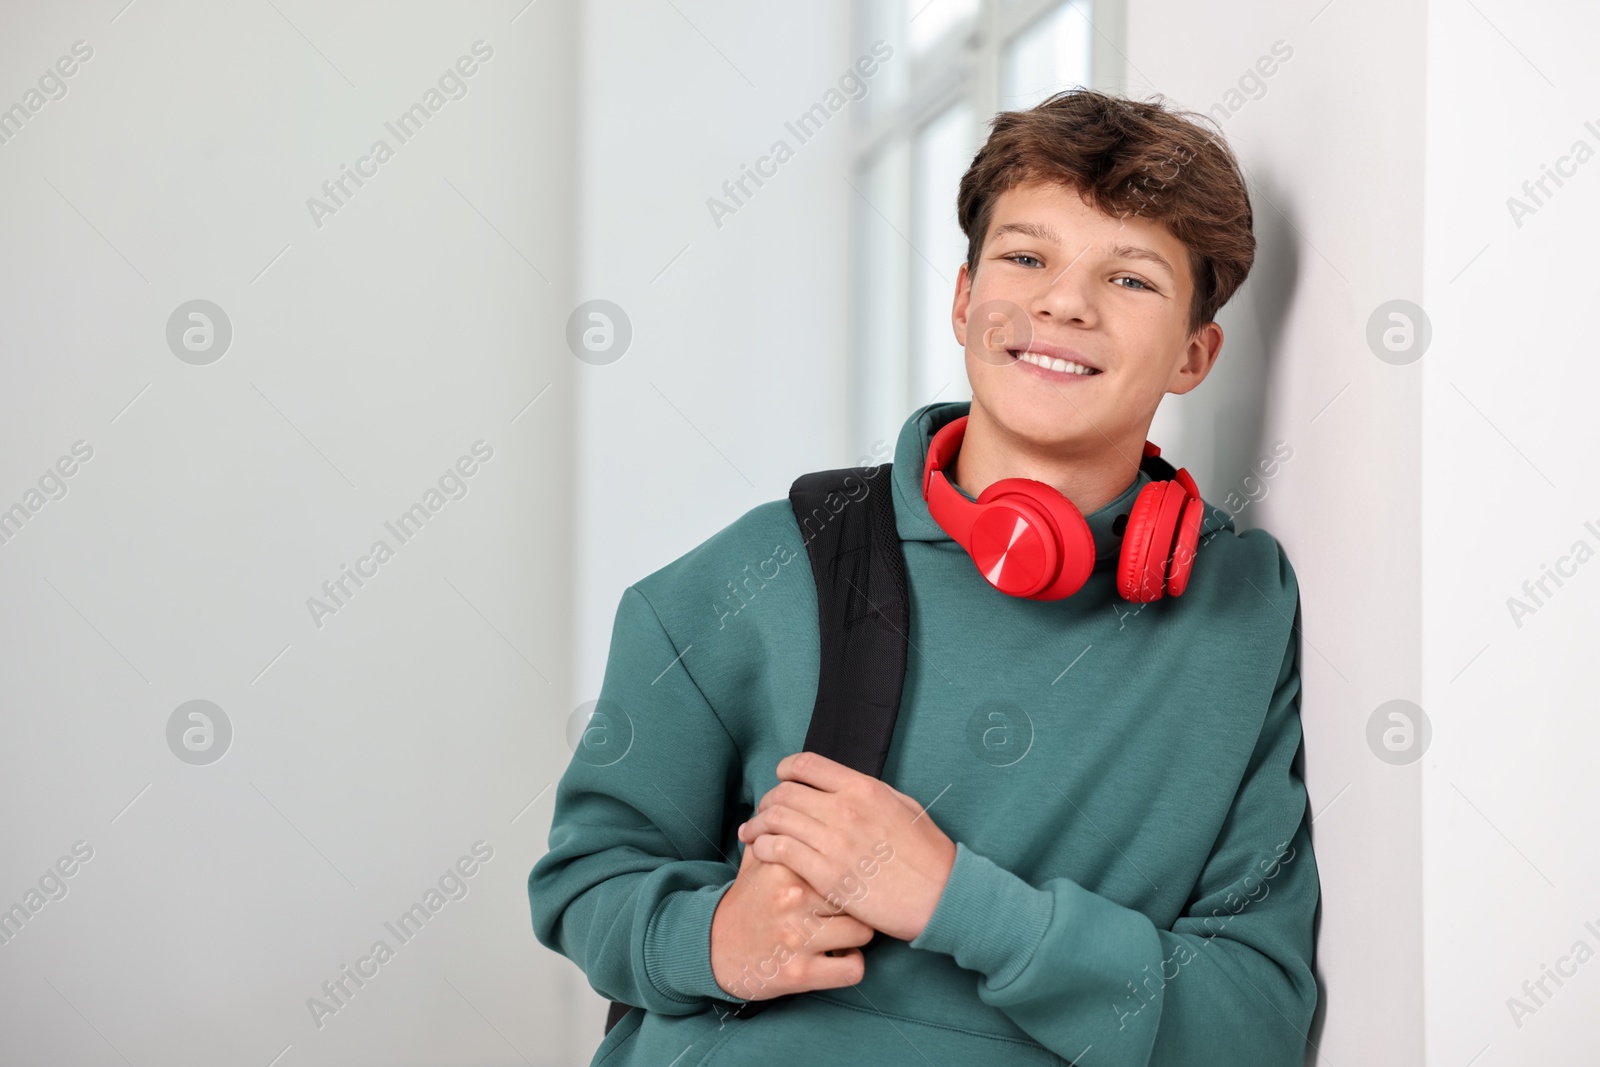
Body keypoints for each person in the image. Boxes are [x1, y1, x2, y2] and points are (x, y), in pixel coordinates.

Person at [528, 87, 1319, 1066]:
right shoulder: (764, 567)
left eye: (1129, 279)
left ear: (1195, 355)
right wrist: (713, 941)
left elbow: (1250, 1025)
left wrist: (956, 896)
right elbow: (583, 879)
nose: (1063, 301)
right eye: (1026, 257)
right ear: (962, 299)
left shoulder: (1236, 607)